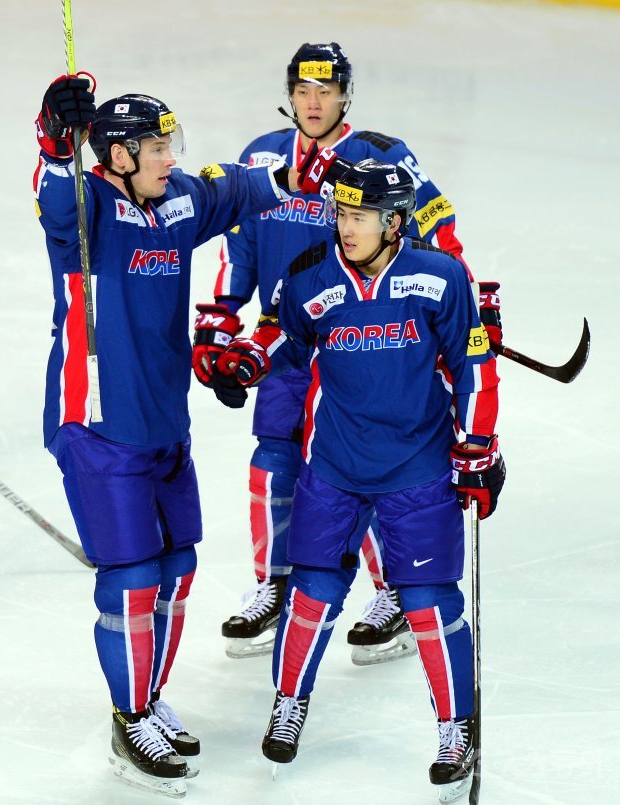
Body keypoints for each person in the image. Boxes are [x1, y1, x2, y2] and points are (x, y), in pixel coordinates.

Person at [33, 72, 314, 797]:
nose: (171, 157)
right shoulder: (90, 207)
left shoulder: (181, 198)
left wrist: (319, 178)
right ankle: (129, 723)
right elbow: (55, 196)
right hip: (99, 427)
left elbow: (255, 188)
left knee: (177, 565)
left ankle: (147, 697)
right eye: (157, 147)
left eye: (172, 144)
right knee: (130, 578)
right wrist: (56, 142)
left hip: (164, 423)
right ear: (118, 155)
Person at [213, 158, 505, 800]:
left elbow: (474, 368)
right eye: (340, 213)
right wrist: (242, 364)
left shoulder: (440, 279)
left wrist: (478, 445)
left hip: (418, 470)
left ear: (395, 223)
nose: (346, 226)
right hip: (333, 469)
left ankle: (456, 727)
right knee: (312, 591)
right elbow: (283, 342)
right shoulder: (312, 281)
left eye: (360, 216)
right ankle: (289, 702)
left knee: (429, 599)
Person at [192, 42, 493, 666]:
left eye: (325, 91)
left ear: (344, 96)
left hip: (365, 338)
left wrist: (461, 295)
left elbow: (435, 223)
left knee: (372, 463)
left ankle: (393, 593)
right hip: (285, 337)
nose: (313, 102)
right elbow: (239, 247)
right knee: (273, 457)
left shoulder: (380, 156)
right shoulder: (263, 157)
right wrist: (221, 321)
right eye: (303, 90)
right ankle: (276, 583)